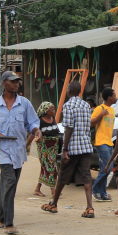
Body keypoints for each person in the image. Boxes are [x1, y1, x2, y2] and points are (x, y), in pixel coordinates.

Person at [0, 71, 41, 235]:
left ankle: (2, 217)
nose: (16, 84)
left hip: (18, 149)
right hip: (2, 149)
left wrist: (36, 131)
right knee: (9, 181)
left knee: (12, 186)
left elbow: (33, 123)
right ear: (4, 83)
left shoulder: (24, 104)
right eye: (13, 81)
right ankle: (9, 223)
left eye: (17, 82)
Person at [41, 81, 95, 217]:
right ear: (79, 91)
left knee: (63, 176)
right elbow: (88, 127)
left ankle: (54, 204)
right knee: (86, 176)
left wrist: (65, 149)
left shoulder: (68, 106)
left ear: (69, 90)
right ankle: (90, 208)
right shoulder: (86, 106)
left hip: (73, 148)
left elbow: (69, 128)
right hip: (86, 146)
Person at [91, 87, 116, 202]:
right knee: (107, 168)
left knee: (105, 168)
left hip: (109, 142)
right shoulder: (99, 108)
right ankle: (95, 190)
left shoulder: (112, 110)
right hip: (101, 142)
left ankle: (102, 193)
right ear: (110, 97)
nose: (116, 97)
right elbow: (91, 122)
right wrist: (101, 114)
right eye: (114, 95)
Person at [30, 102, 59, 198]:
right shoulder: (39, 121)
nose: (54, 111)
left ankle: (37, 189)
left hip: (53, 148)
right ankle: (53, 191)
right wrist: (26, 145)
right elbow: (32, 134)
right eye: (52, 109)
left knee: (45, 168)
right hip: (44, 148)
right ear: (45, 111)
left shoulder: (53, 119)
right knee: (51, 168)